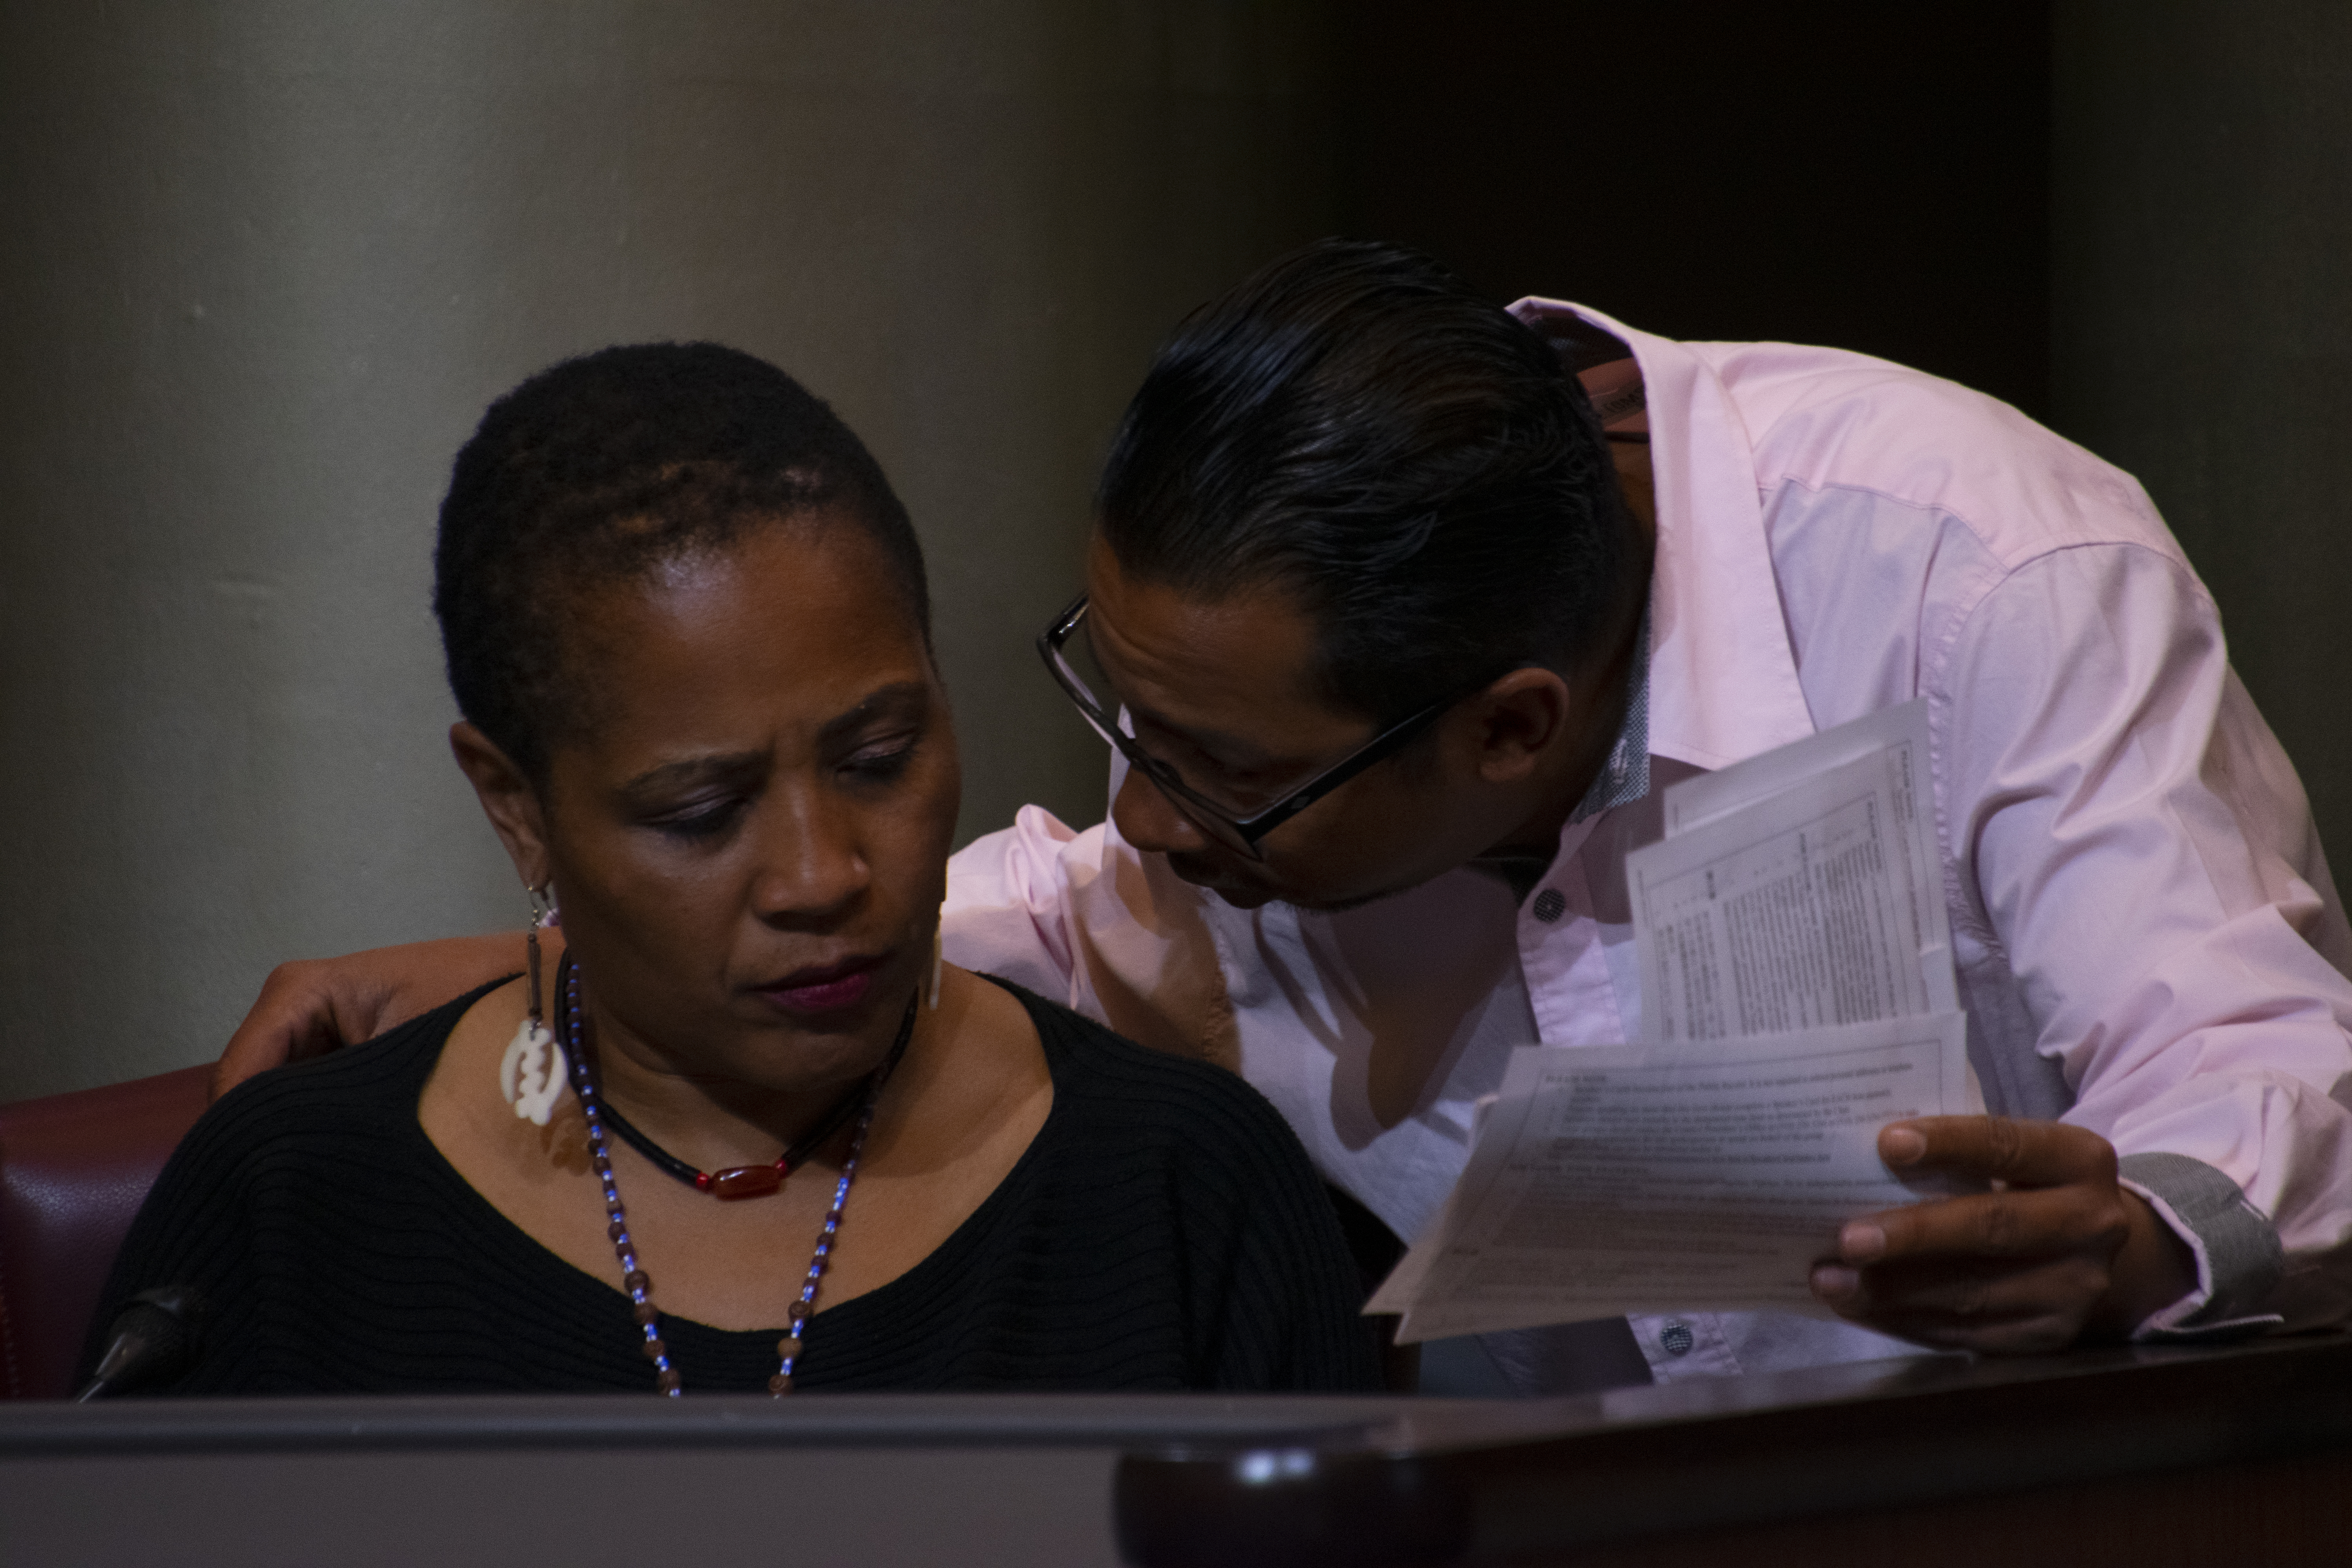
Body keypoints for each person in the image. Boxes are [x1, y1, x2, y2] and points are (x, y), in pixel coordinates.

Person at [212, 242, 2352, 1394]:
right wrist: (542, 968)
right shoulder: (1228, 744)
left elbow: (2272, 1078)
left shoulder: (1982, 572)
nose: (1138, 812)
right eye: (1107, 706)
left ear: (1511, 736)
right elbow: (1011, 916)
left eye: (1224, 780)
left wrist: (2144, 1233)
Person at [86, 342, 1383, 1396]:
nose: (822, 876)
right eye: (702, 811)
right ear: (515, 807)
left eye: (880, 757)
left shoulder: (1186, 1191)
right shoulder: (294, 1205)